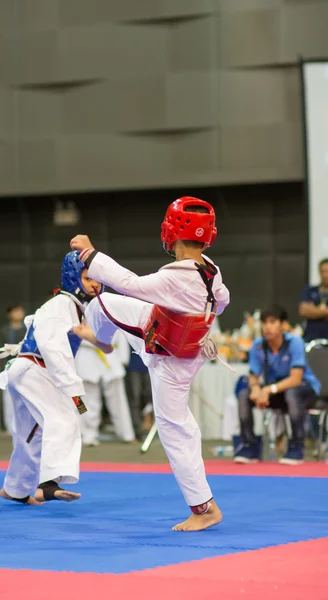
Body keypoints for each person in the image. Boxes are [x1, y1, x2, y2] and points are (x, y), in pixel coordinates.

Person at [71, 196, 230, 531]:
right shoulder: (210, 270)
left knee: (176, 430)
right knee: (104, 304)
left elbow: (131, 283)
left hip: (174, 361)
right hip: (171, 337)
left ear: (170, 232)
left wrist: (90, 254)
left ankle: (205, 510)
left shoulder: (177, 276)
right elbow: (223, 299)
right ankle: (101, 338)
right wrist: (196, 315)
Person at [0, 251, 113, 506]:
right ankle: (48, 484)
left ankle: (15, 489)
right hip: (36, 370)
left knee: (31, 434)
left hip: (26, 370)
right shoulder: (62, 305)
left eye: (98, 280)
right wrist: (71, 387)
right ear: (73, 278)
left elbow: (36, 325)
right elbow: (53, 348)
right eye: (88, 278)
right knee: (63, 417)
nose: (96, 285)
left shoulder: (73, 307)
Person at [234, 305, 320, 465]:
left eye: (272, 322)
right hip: (277, 392)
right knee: (244, 394)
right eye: (264, 323)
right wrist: (255, 389)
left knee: (292, 393)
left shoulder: (295, 342)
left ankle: (296, 447)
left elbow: (295, 379)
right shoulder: (258, 345)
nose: (267, 327)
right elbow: (253, 376)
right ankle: (249, 446)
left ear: (283, 325)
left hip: (304, 391)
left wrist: (267, 389)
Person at [75, 329, 135, 446]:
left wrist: (123, 358)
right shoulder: (77, 312)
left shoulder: (113, 310)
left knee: (118, 399)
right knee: (87, 400)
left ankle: (126, 433)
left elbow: (121, 330)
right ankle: (88, 434)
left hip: (111, 355)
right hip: (86, 355)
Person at [0, 305, 26, 433]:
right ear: (10, 314)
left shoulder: (28, 328)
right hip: (8, 367)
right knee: (8, 398)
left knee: (25, 397)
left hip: (25, 367)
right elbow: (0, 349)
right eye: (15, 311)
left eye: (20, 310)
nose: (19, 313)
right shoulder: (4, 330)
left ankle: (25, 427)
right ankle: (10, 426)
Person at [299, 258, 328, 342]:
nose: (325, 275)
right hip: (312, 339)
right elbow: (303, 310)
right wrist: (325, 312)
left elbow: (310, 310)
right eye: (323, 271)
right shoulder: (309, 290)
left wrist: (316, 310)